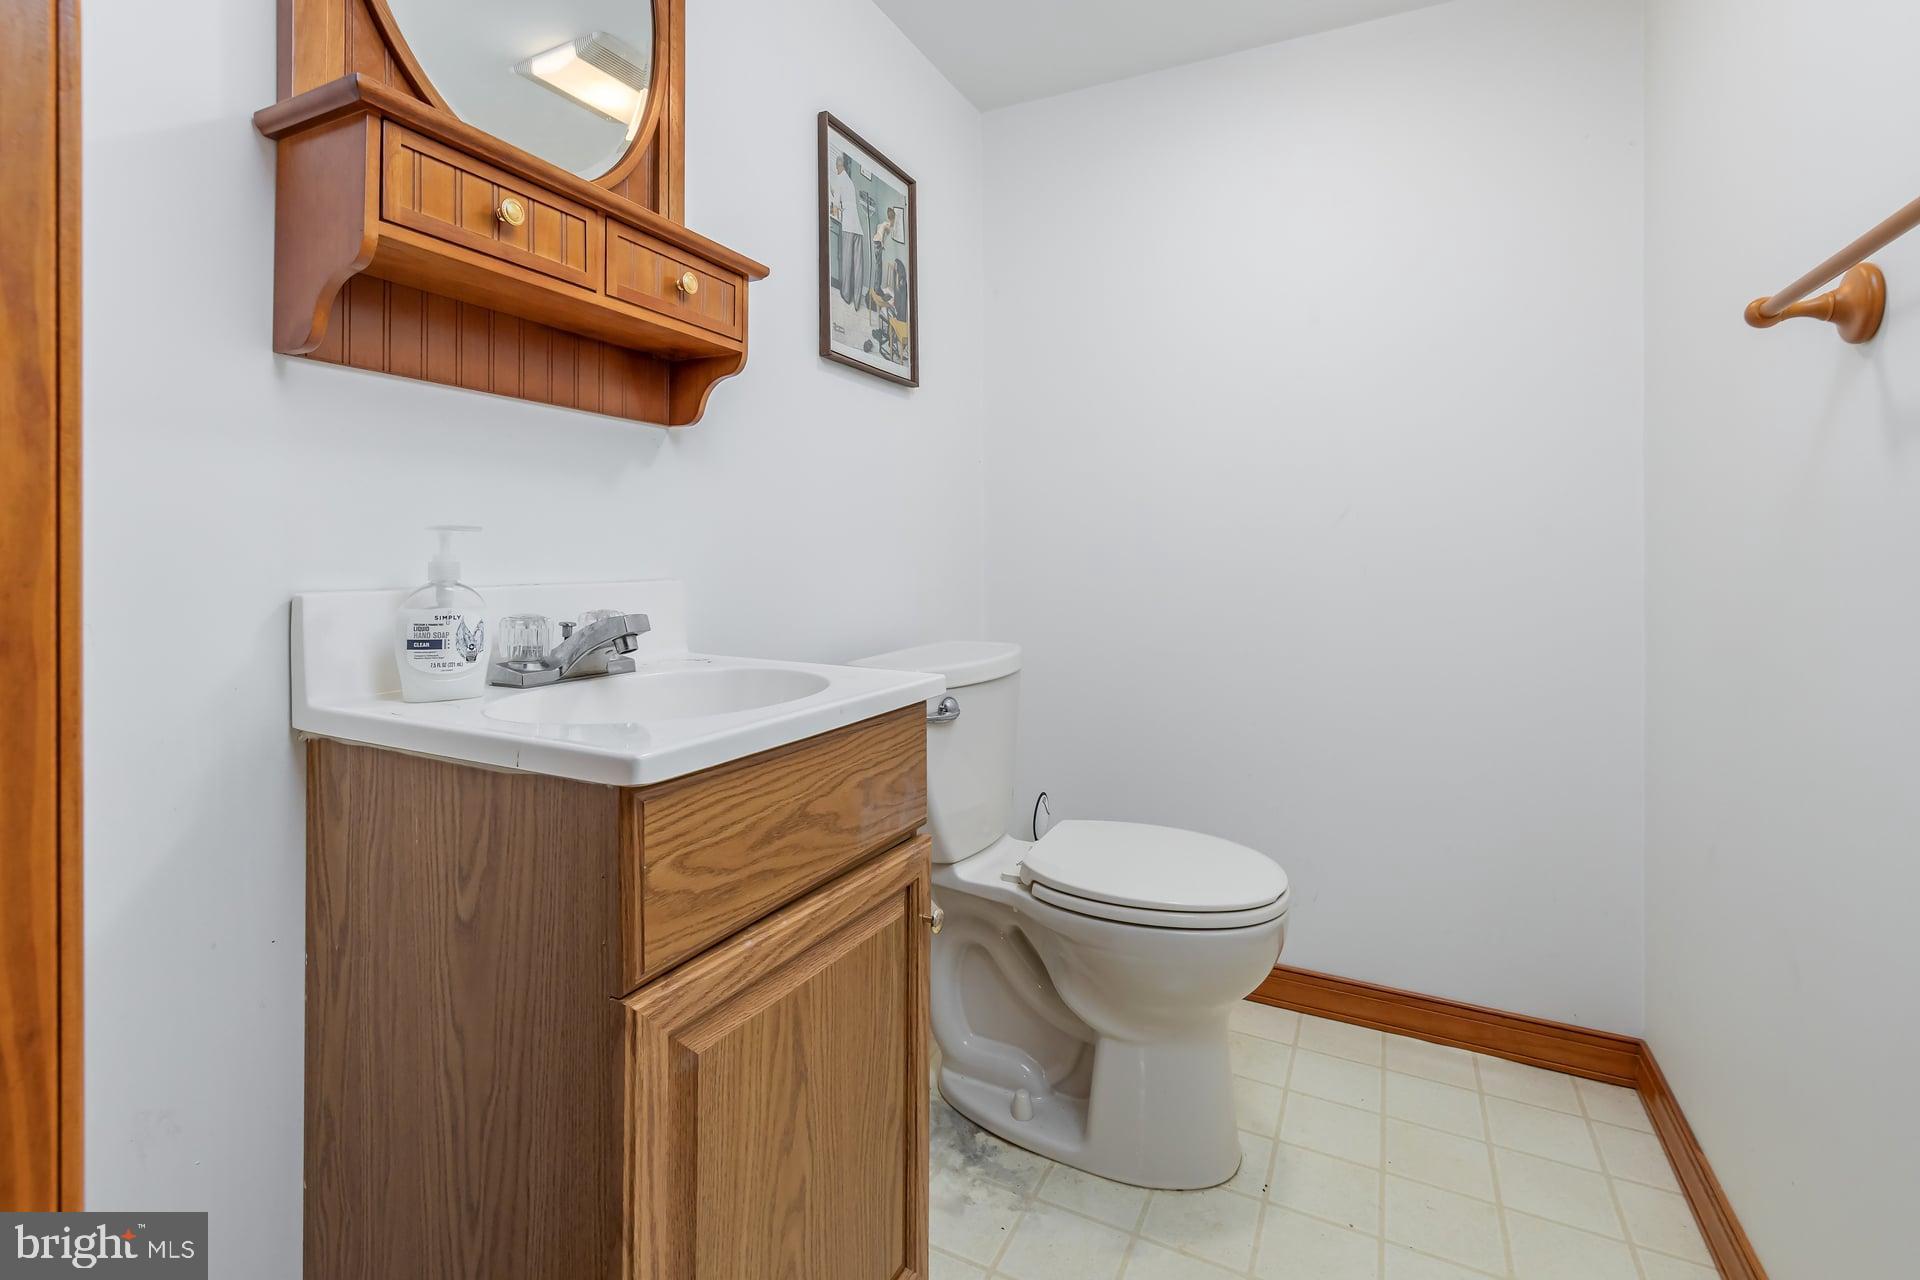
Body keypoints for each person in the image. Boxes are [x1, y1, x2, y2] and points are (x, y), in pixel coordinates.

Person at [830, 152, 868, 307]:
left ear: (838, 166)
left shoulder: (839, 179)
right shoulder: (850, 182)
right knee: (858, 265)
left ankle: (846, 295)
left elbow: (835, 206)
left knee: (846, 260)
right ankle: (857, 300)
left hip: (847, 225)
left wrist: (833, 206)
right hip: (858, 227)